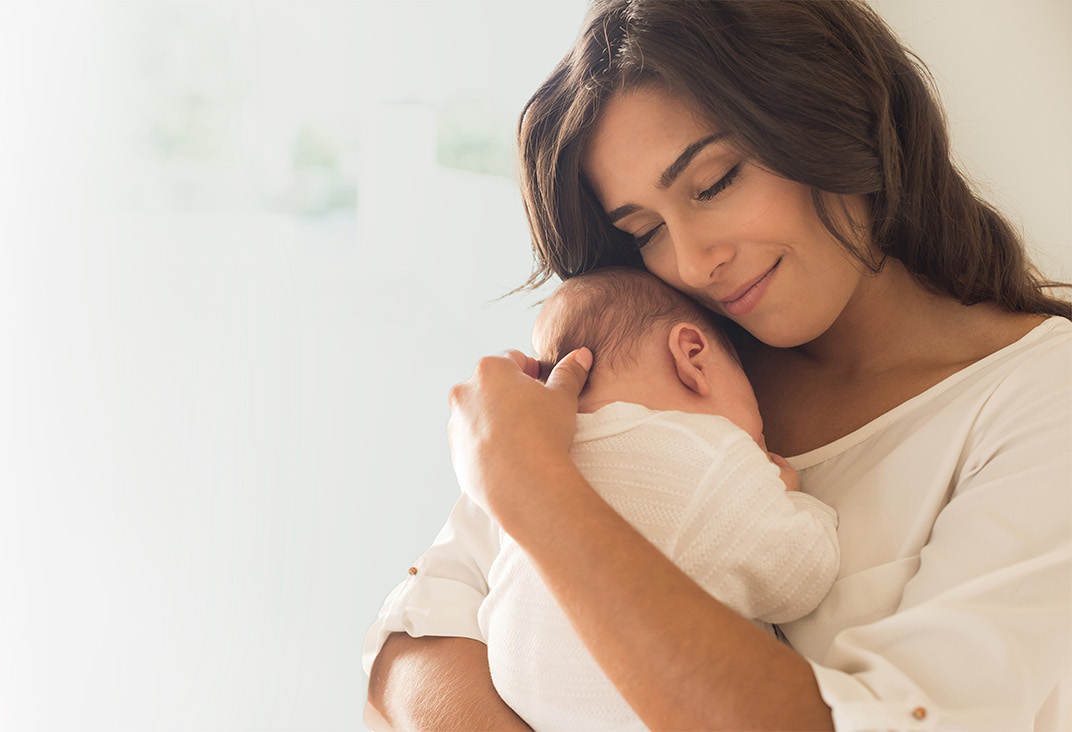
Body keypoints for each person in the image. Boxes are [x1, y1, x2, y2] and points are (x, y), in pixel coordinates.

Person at [363, 1, 1072, 730]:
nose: (695, 263)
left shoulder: (1041, 399)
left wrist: (532, 488)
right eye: (645, 230)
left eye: (714, 182)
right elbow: (410, 654)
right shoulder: (658, 365)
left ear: (832, 112)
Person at [478, 266, 840, 731]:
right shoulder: (709, 452)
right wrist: (794, 500)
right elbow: (800, 578)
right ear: (693, 356)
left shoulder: (535, 461)